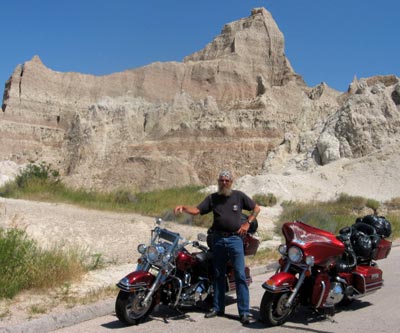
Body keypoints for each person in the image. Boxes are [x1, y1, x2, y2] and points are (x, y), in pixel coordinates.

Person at [174, 170, 260, 325]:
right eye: (221, 180)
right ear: (218, 181)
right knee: (218, 275)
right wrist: (183, 207)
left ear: (231, 182)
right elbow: (197, 210)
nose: (224, 183)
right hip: (218, 239)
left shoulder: (238, 196)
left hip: (235, 239)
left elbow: (256, 208)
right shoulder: (212, 198)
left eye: (227, 180)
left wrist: (248, 223)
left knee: (240, 275)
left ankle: (245, 313)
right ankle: (218, 308)